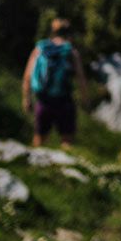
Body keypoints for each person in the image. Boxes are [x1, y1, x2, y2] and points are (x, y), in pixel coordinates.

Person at [21, 18, 86, 147]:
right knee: (67, 141)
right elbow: (81, 78)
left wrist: (26, 99)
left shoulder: (40, 49)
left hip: (43, 100)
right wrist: (85, 100)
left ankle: (35, 165)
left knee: (39, 139)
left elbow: (27, 76)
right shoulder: (71, 52)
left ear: (52, 32)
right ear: (69, 34)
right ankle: (65, 166)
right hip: (64, 101)